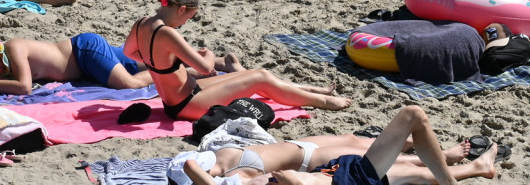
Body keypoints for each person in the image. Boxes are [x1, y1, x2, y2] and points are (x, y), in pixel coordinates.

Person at [124, 0, 350, 120]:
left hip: (179, 98)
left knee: (257, 73)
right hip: (187, 105)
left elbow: (129, 52)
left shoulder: (141, 23)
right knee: (259, 78)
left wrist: (156, 64)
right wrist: (208, 54)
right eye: (188, 17)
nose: (185, 22)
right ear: (181, 9)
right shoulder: (168, 33)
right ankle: (321, 101)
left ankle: (308, 89)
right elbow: (206, 68)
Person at [183, 105, 498, 185]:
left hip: (334, 168)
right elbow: (292, 179)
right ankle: (469, 168)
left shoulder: (221, 173)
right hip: (349, 181)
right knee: (410, 169)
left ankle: (464, 165)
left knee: (407, 127)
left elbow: (189, 165)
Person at [0, 34, 153, 99]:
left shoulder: (14, 47)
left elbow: (24, 88)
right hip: (87, 62)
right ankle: (176, 69)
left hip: (84, 52)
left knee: (129, 83)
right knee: (145, 64)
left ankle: (174, 74)